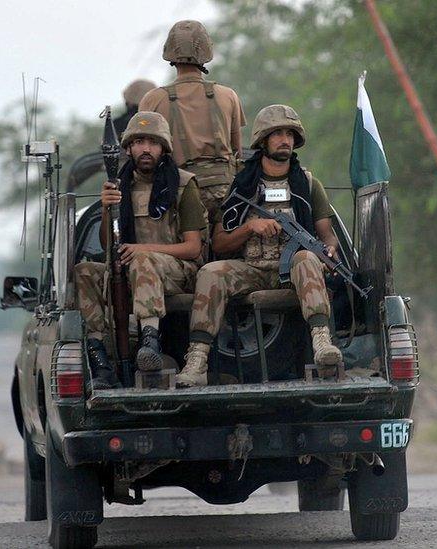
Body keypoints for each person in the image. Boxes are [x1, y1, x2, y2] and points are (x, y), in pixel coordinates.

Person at [176, 105, 341, 388]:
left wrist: (329, 251)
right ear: (262, 141)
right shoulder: (241, 186)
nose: (284, 140)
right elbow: (220, 242)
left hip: (292, 273)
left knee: (306, 258)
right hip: (251, 269)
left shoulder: (308, 184)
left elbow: (327, 235)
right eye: (276, 133)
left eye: (289, 134)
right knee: (211, 272)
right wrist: (249, 227)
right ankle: (197, 361)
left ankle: (322, 343)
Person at [74, 111, 207, 387]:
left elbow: (193, 248)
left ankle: (150, 341)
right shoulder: (119, 187)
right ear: (128, 148)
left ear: (164, 148)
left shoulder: (183, 185)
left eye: (153, 142)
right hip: (131, 271)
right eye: (139, 142)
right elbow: (108, 246)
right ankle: (99, 358)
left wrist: (141, 249)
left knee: (142, 259)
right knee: (85, 270)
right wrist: (107, 208)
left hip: (177, 273)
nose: (145, 149)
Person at [138, 19, 246, 227]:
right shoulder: (228, 96)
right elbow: (237, 152)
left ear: (169, 52)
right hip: (226, 192)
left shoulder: (153, 99)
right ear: (206, 51)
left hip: (177, 190)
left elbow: (142, 154)